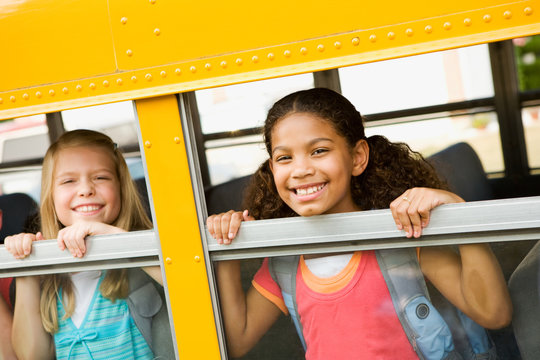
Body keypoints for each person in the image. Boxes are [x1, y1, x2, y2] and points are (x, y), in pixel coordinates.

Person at [207, 88, 512, 359]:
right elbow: (236, 342)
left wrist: (457, 213)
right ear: (271, 169)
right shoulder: (284, 263)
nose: (300, 169)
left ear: (357, 158)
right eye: (284, 158)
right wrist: (225, 248)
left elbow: (494, 314)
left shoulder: (404, 239)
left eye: (319, 151)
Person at [5, 129, 171, 360]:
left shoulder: (153, 251)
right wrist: (26, 266)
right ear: (51, 198)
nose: (85, 190)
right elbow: (32, 356)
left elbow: (191, 290)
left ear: (122, 188)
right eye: (69, 181)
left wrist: (117, 240)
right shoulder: (51, 278)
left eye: (101, 177)